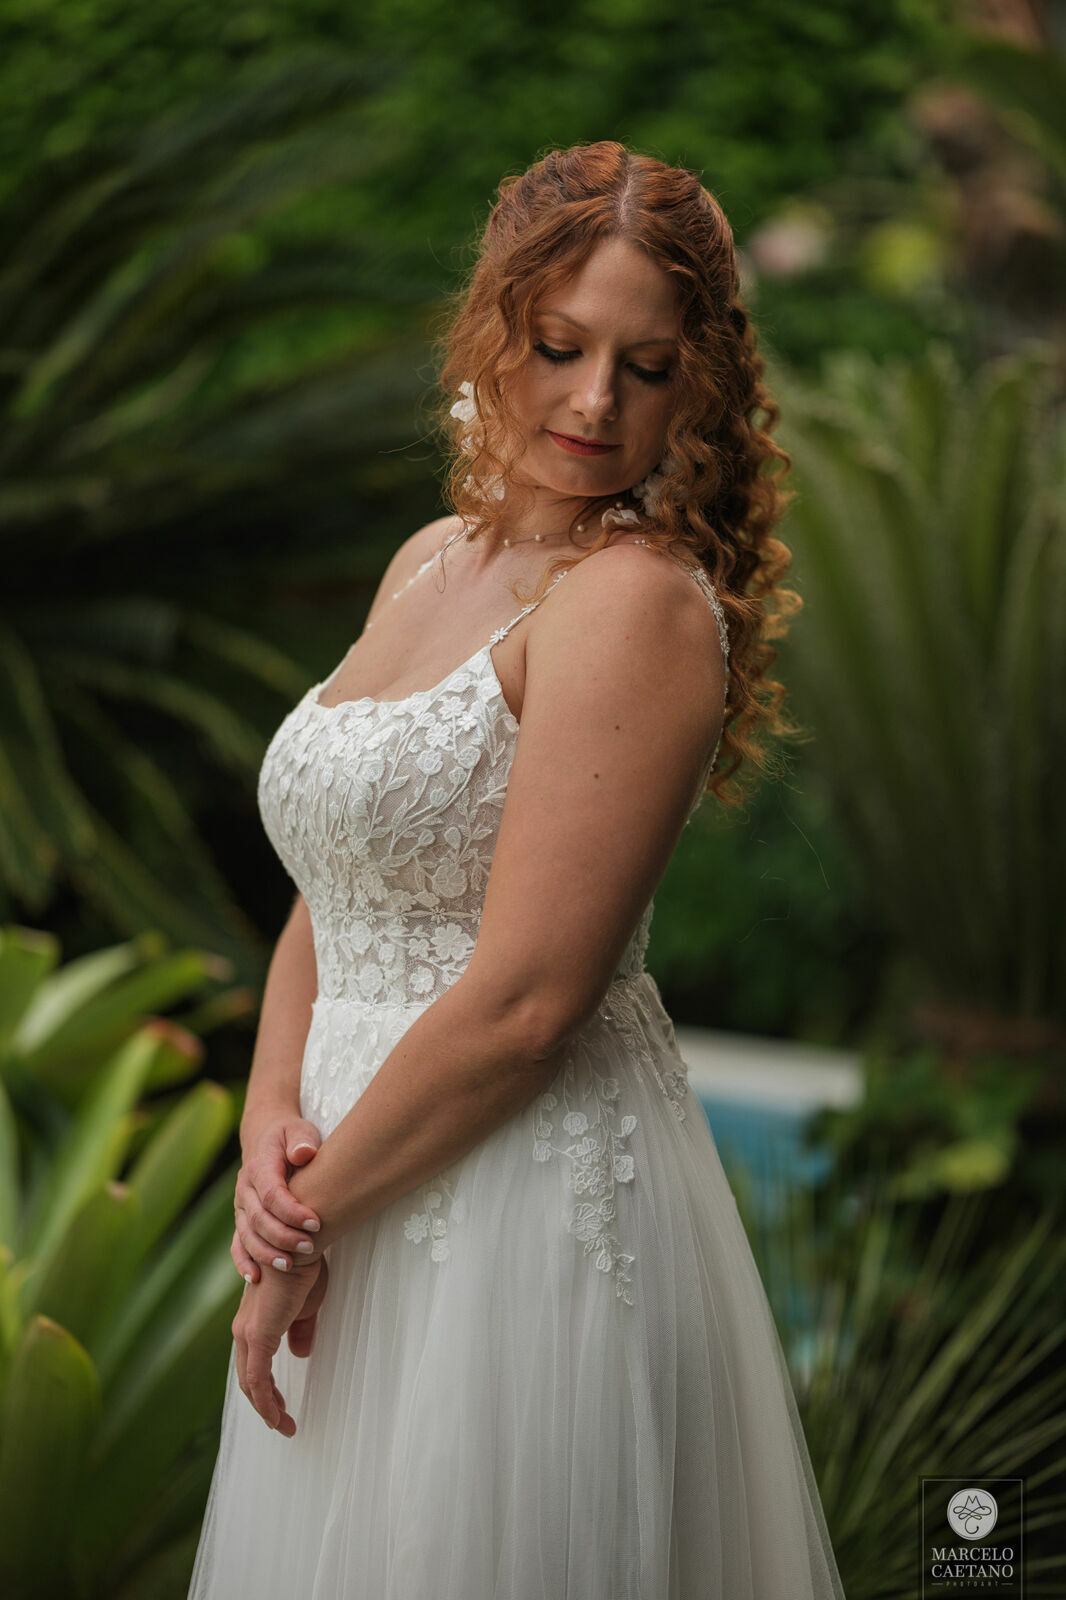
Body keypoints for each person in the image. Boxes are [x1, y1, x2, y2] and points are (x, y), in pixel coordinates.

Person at [188, 140, 847, 1600]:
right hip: (345, 1177)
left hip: (504, 1198)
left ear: (701, 389)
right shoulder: (430, 558)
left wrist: (305, 1225)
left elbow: (529, 1006)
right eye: (559, 347)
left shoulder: (635, 606)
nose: (595, 403)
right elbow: (335, 880)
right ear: (492, 324)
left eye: (647, 368)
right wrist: (271, 1122)